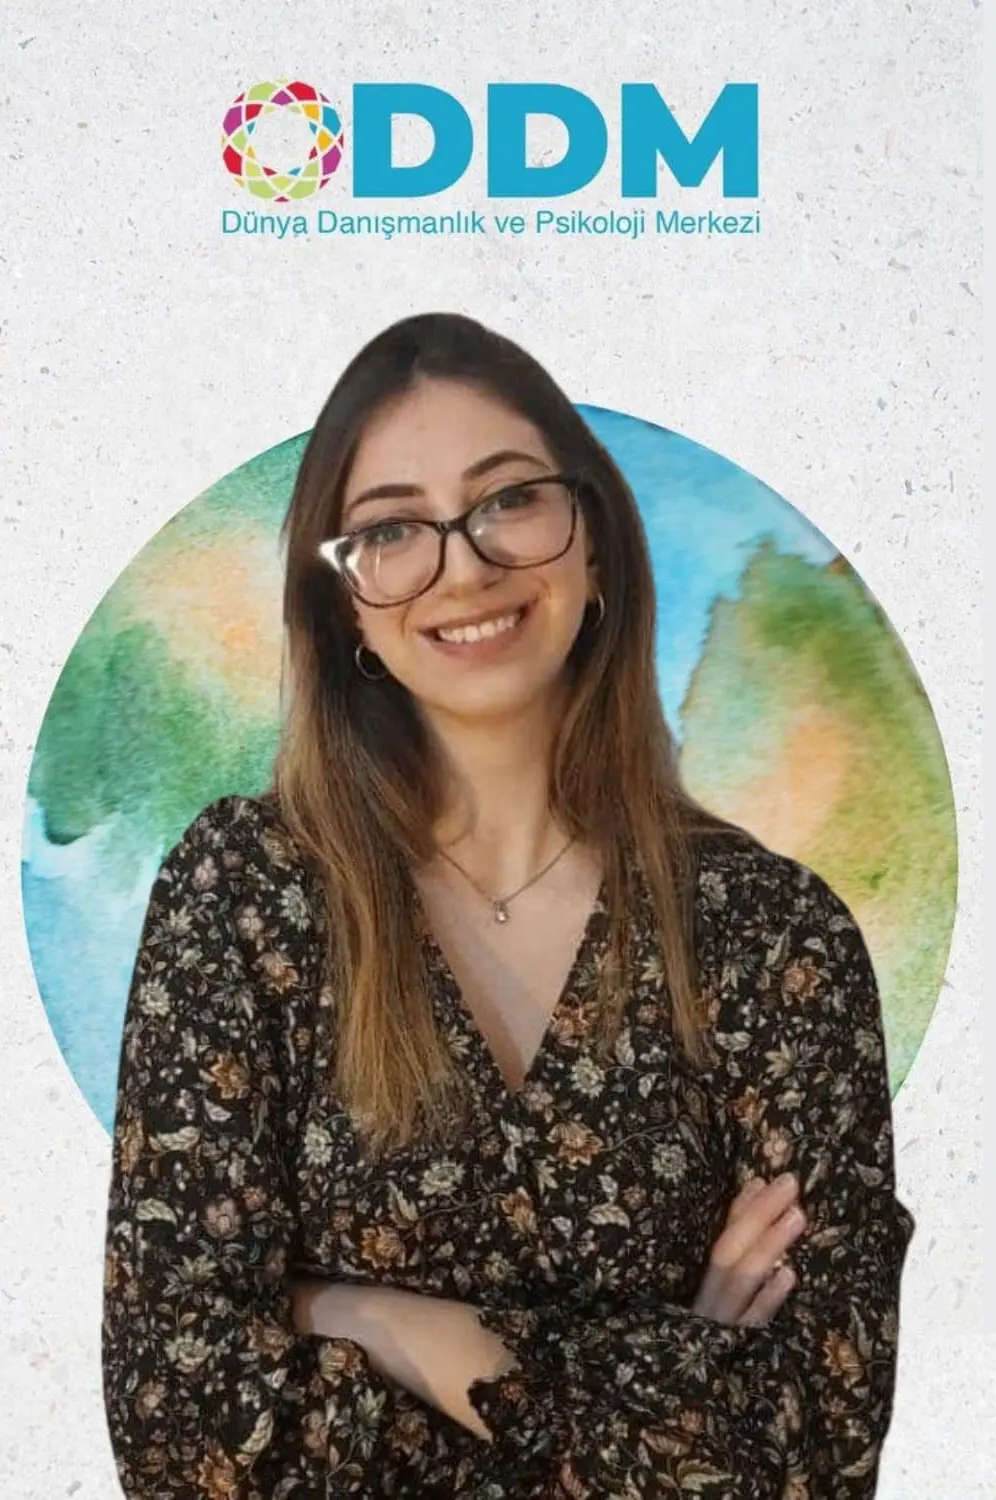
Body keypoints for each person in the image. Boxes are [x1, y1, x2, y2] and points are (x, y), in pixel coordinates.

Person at [101, 312, 915, 1499]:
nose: (465, 565)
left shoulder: (774, 934)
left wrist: (356, 1316)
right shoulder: (243, 891)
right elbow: (178, 1432)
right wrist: (676, 1374)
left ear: (596, 547)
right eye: (392, 529)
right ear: (345, 605)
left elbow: (817, 1452)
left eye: (510, 500)